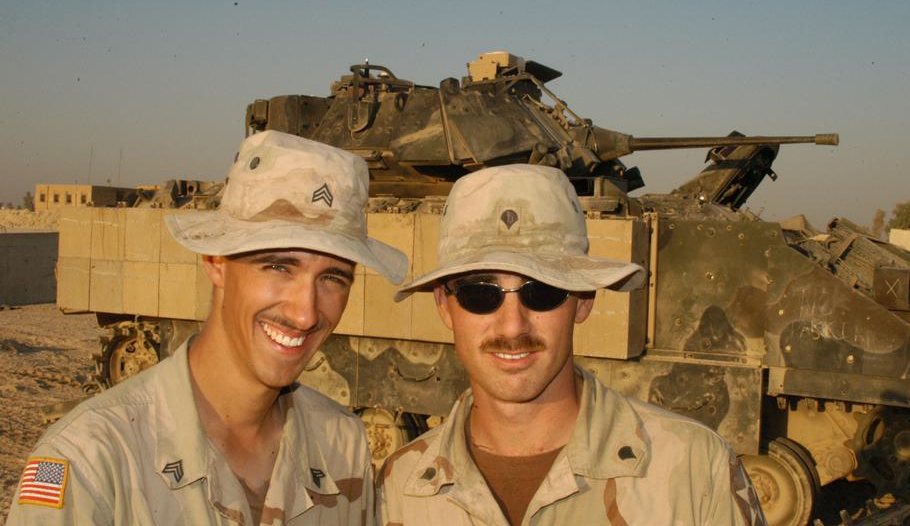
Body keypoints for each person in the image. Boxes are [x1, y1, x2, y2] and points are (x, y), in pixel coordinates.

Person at [7, 130, 408, 525]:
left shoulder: (343, 447)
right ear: (216, 262)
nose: (305, 314)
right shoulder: (91, 459)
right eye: (278, 266)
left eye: (333, 277)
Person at [378, 164, 766, 525]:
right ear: (445, 307)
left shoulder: (694, 472)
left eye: (542, 292)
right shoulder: (398, 491)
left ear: (583, 300)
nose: (513, 325)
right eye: (480, 294)